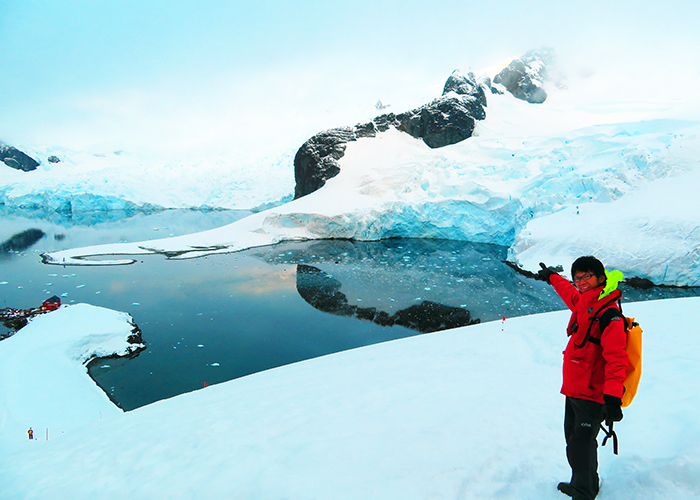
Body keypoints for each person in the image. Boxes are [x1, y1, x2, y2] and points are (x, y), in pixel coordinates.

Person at [538, 256, 628, 500]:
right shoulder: (584, 302)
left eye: (586, 276)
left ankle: (583, 493)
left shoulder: (609, 314)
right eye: (578, 277)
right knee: (576, 442)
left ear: (601, 278)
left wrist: (612, 397)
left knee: (580, 446)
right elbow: (568, 292)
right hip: (576, 387)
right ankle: (587, 484)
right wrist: (552, 277)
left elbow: (617, 358)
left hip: (592, 390)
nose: (580, 282)